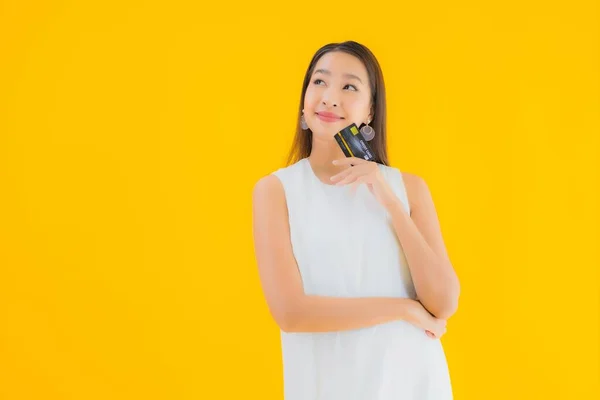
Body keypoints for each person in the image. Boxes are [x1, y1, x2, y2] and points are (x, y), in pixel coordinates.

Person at [252, 41, 461, 400]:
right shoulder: (277, 190)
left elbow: (443, 302)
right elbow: (291, 313)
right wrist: (404, 309)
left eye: (349, 86)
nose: (331, 97)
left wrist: (389, 199)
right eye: (319, 82)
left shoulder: (407, 188)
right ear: (303, 104)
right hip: (326, 387)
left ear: (369, 112)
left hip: (412, 384)